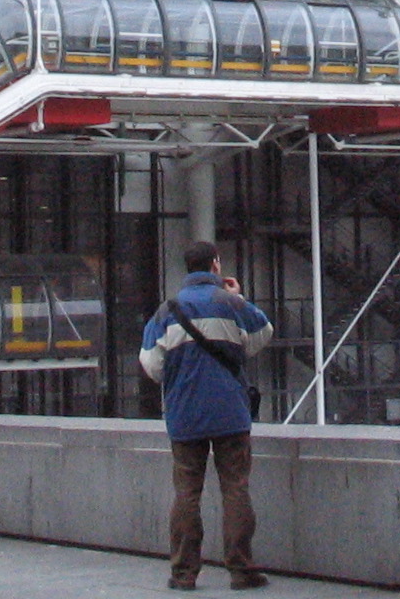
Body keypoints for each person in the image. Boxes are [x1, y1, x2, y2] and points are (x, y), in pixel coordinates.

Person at [141, 240, 275, 592]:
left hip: (185, 415)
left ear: (188, 268)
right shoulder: (230, 303)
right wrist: (240, 297)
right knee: (235, 488)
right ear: (216, 265)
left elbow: (152, 365)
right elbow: (262, 334)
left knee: (186, 491)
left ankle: (184, 573)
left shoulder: (166, 311)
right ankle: (241, 570)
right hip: (230, 412)